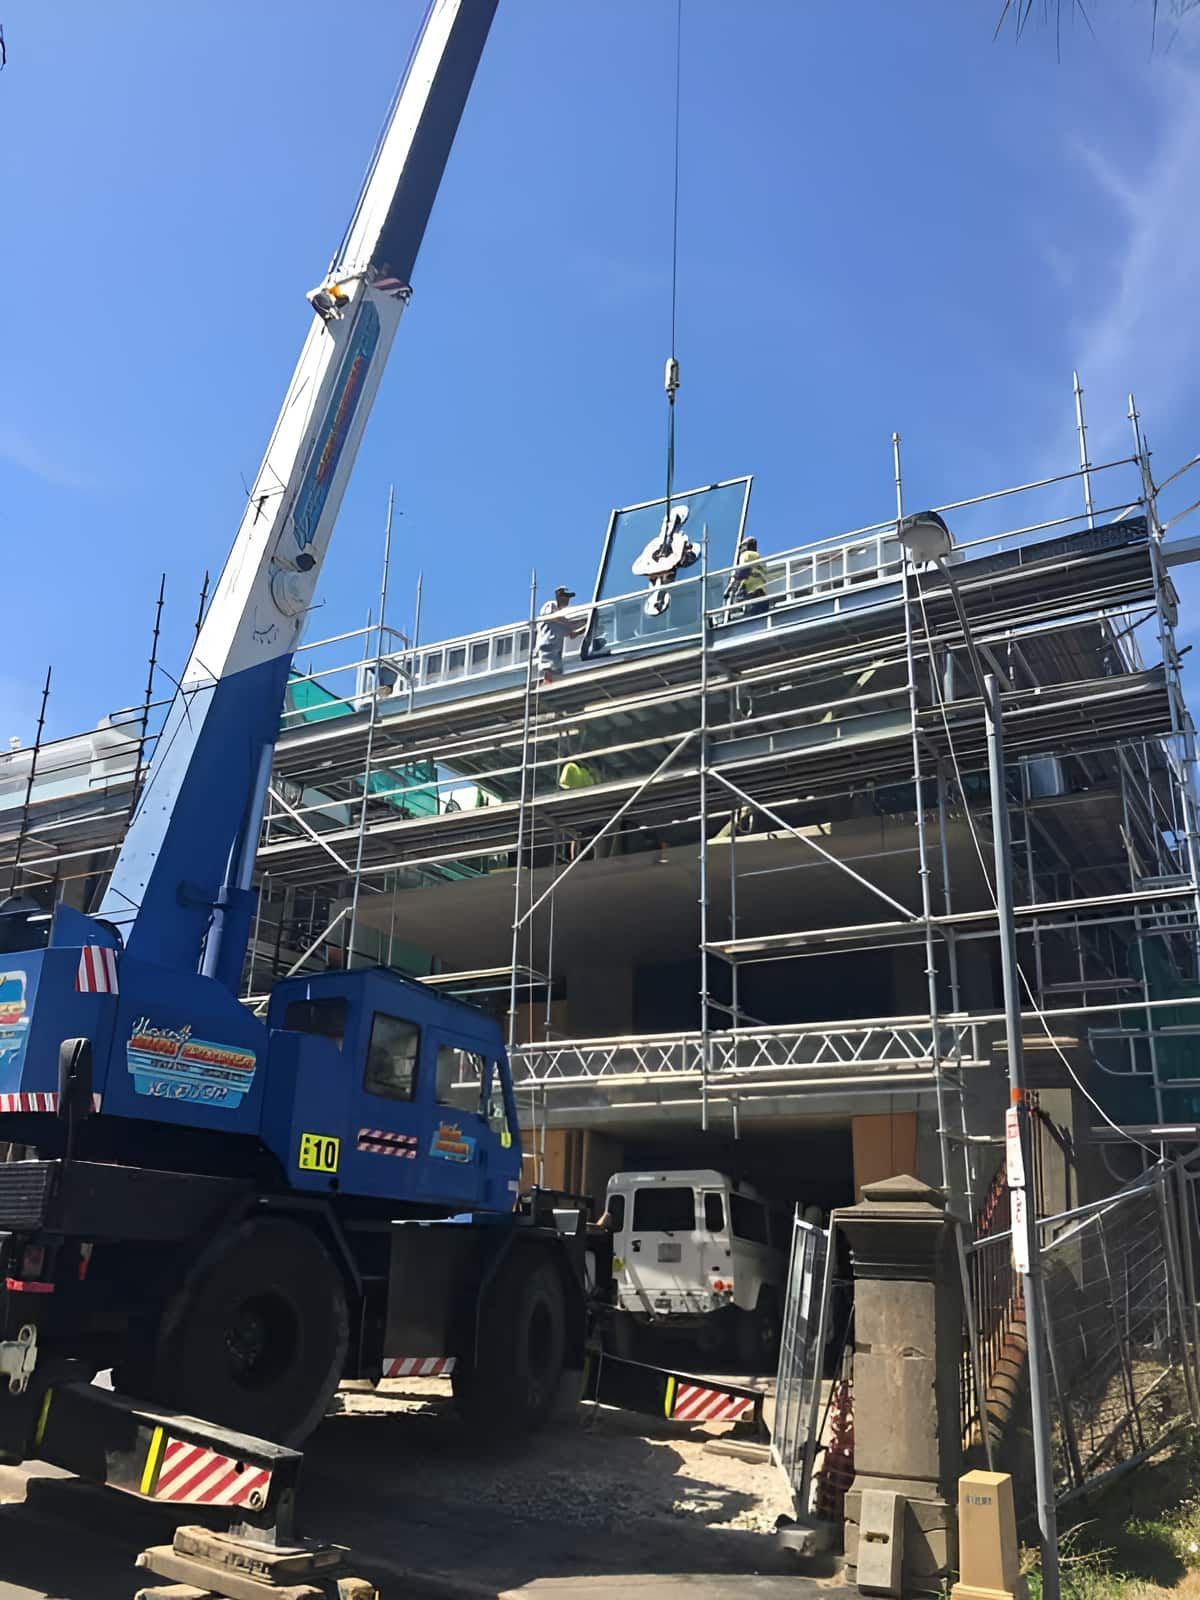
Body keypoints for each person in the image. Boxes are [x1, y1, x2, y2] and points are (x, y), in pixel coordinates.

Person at [534, 586, 586, 684]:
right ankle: (546, 682)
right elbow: (553, 617)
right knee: (548, 667)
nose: (567, 600)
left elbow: (573, 634)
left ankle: (550, 683)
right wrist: (573, 623)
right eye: (565, 596)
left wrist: (586, 625)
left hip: (556, 651)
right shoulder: (550, 605)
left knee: (556, 671)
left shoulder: (563, 620)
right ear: (558, 596)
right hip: (547, 646)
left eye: (568, 597)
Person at [729, 536, 769, 618]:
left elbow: (742, 572)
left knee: (749, 619)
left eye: (742, 546)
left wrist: (730, 588)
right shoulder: (760, 558)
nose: (741, 550)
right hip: (763, 595)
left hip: (752, 593)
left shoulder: (747, 555)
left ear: (747, 546)